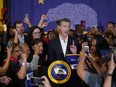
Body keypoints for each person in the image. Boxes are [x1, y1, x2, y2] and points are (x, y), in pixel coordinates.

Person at [48, 18, 81, 87]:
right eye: (64, 26)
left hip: (72, 77)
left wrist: (74, 53)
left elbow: (78, 61)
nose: (67, 29)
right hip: (57, 77)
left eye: (68, 26)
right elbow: (50, 60)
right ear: (59, 27)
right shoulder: (52, 43)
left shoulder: (74, 41)